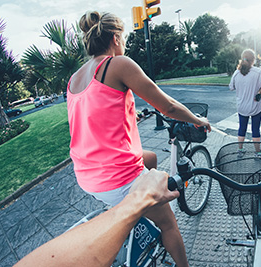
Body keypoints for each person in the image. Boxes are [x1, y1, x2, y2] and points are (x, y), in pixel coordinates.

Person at [67, 11, 211, 267]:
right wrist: (197, 120)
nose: (124, 44)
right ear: (114, 38)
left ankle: (138, 212)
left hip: (86, 174)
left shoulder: (75, 78)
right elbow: (167, 106)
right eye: (122, 38)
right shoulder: (117, 64)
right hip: (116, 178)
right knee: (169, 224)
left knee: (151, 157)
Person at [14, 170, 179, 267]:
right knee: (169, 224)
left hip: (90, 180)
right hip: (121, 179)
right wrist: (139, 198)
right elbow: (170, 108)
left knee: (150, 156)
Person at [229, 49, 261, 159]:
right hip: (255, 106)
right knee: (255, 129)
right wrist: (259, 91)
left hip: (242, 107)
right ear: (253, 59)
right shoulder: (258, 72)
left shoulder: (236, 73)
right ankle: (258, 152)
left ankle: (240, 150)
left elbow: (231, 87)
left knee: (242, 128)